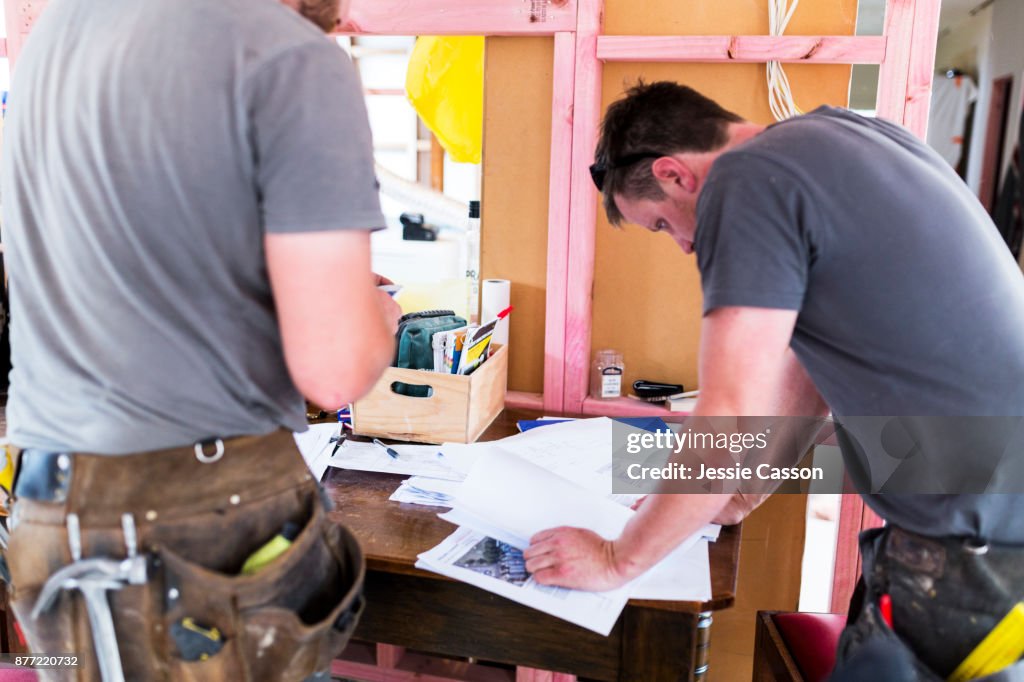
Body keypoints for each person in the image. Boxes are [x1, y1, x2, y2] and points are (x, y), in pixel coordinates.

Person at [523, 81, 1024, 679]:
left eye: (660, 225)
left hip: (978, 534)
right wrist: (739, 493)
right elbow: (806, 371)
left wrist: (614, 558)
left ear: (676, 174)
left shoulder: (744, 182)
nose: (683, 246)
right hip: (987, 510)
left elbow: (726, 412)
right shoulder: (839, 135)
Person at [0, 0, 400, 678]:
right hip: (196, 523)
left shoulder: (57, 36)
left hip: (47, 512)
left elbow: (138, 274)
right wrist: (375, 317)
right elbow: (334, 371)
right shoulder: (287, 56)